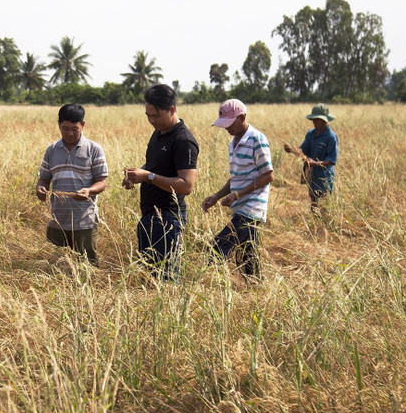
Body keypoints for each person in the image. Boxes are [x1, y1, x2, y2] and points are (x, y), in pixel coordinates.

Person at [122, 84, 198, 279]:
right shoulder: (158, 134)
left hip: (169, 217)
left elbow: (186, 185)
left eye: (156, 115)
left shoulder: (183, 140)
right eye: (148, 116)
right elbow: (153, 166)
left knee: (166, 278)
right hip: (150, 216)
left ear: (172, 110)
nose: (152, 120)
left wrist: (147, 177)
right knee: (149, 278)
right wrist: (136, 176)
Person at [202, 99, 273, 280]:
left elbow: (268, 175)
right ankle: (256, 290)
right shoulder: (233, 143)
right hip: (239, 206)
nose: (226, 128)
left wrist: (238, 194)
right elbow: (235, 178)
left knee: (217, 248)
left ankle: (209, 285)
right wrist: (217, 196)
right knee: (246, 259)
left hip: (252, 208)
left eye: (229, 124)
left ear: (242, 118)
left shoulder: (257, 139)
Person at [36, 104, 108, 263]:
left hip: (84, 220)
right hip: (58, 220)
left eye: (74, 129)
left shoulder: (94, 149)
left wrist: (89, 191)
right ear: (58, 124)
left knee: (87, 264)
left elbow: (102, 182)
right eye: (65, 128)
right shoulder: (52, 150)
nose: (69, 133)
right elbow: (44, 179)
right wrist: (40, 188)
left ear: (83, 125)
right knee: (56, 264)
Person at [287, 103, 339, 213]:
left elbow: (331, 160)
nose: (314, 122)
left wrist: (315, 163)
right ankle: (314, 219)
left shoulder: (331, 137)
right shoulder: (311, 134)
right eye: (313, 119)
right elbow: (303, 150)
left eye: (316, 119)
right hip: (312, 174)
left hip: (324, 176)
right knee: (313, 200)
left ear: (324, 120)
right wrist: (293, 150)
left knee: (324, 203)